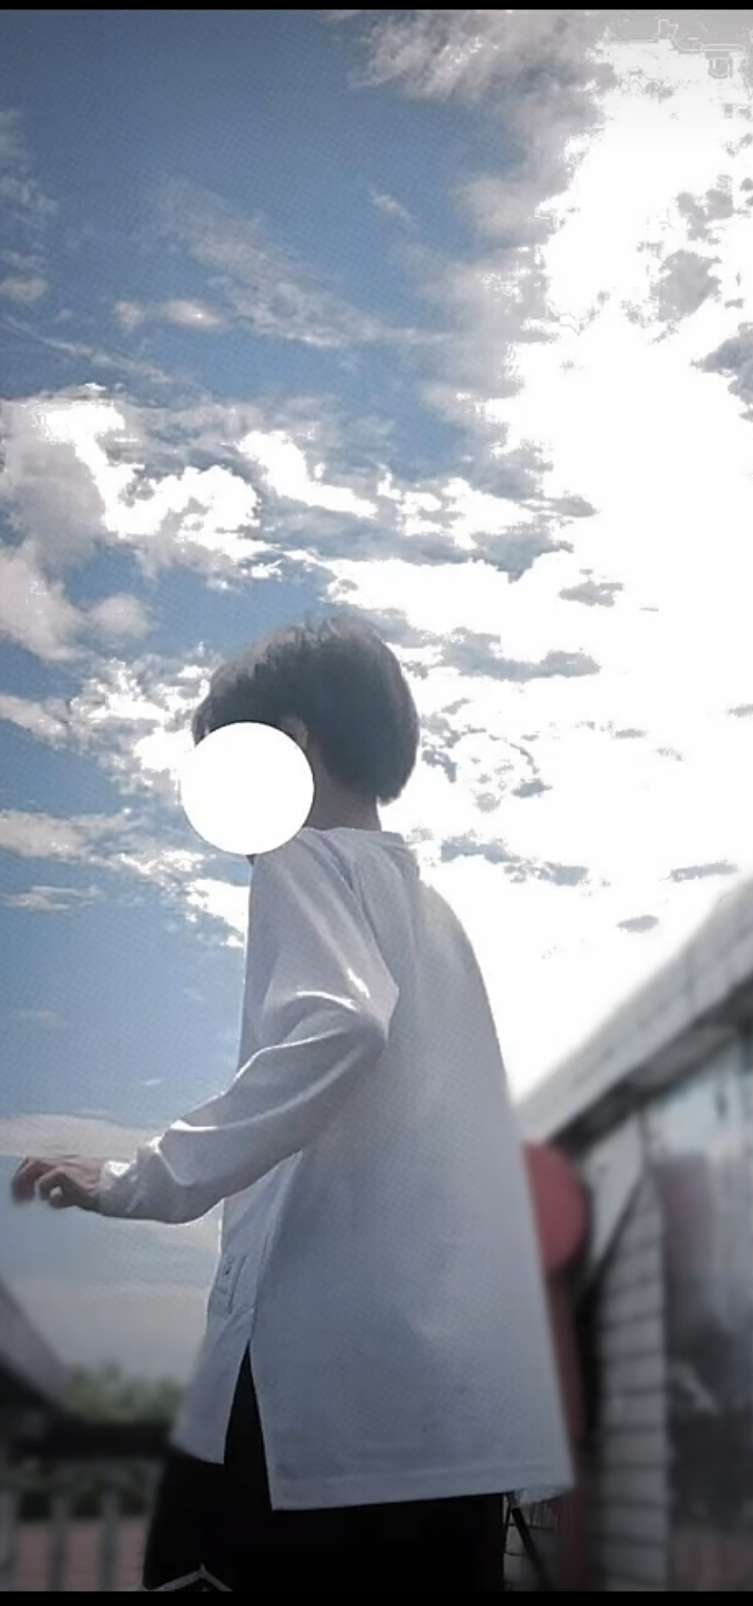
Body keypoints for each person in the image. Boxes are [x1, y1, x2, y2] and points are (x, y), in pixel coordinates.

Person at [12, 611, 574, 1591]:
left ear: (294, 743)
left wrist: (141, 1179)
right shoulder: (437, 917)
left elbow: (340, 1025)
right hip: (447, 1423)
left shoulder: (302, 857)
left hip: (312, 1407)